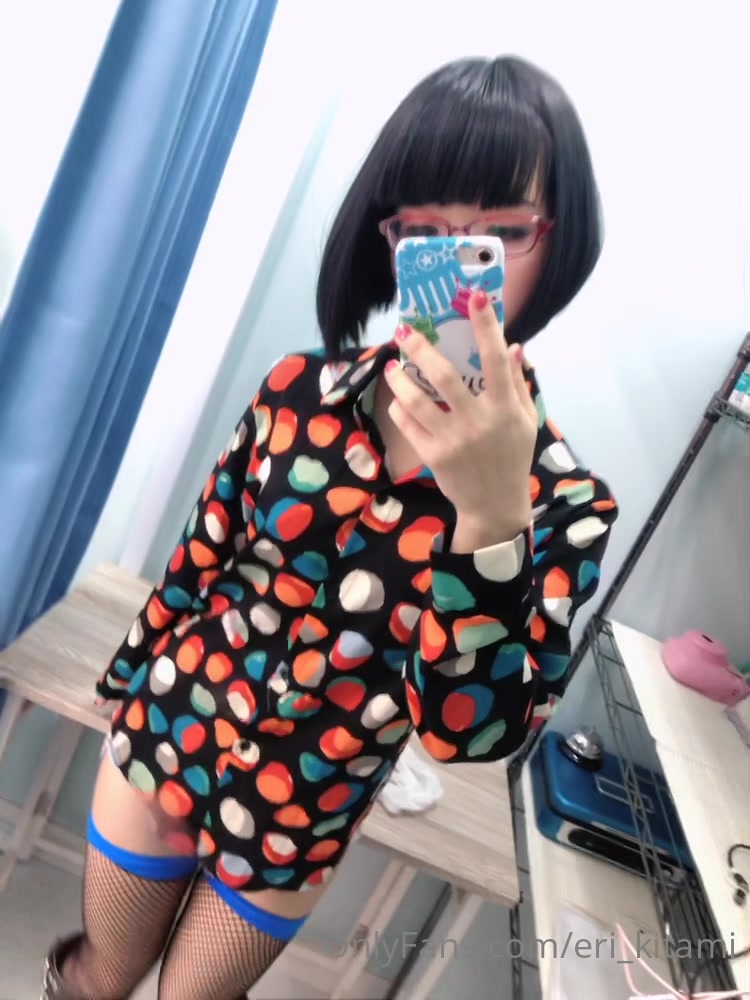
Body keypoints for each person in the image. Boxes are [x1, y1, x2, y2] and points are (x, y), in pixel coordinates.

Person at [42, 54, 618, 999]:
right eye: (423, 232)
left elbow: (467, 736)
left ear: (557, 241)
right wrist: (125, 683)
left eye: (499, 234)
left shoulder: (564, 505)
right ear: (386, 238)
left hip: (298, 816)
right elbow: (199, 559)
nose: (458, 270)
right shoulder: (294, 391)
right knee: (103, 975)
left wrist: (488, 516)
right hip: (170, 726)